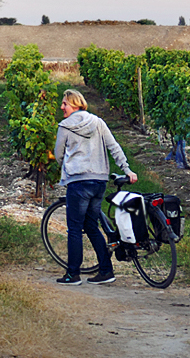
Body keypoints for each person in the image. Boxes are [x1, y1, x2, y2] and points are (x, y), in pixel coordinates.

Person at [53, 89, 136, 285]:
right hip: (98, 181)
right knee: (91, 226)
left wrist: (64, 165)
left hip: (78, 182)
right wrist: (127, 169)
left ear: (74, 104)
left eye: (64, 103)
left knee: (74, 228)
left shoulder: (64, 126)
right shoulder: (98, 122)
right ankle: (106, 271)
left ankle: (72, 274)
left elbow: (58, 154)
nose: (62, 107)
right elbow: (113, 146)